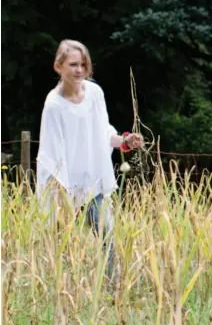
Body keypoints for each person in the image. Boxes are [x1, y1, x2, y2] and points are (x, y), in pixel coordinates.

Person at [36, 39, 143, 279]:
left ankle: (110, 288)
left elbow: (103, 133)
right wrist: (60, 196)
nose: (79, 70)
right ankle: (61, 292)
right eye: (73, 64)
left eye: (83, 64)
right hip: (63, 187)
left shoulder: (94, 93)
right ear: (58, 67)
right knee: (61, 246)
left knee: (107, 236)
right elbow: (51, 153)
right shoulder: (54, 105)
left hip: (93, 181)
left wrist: (124, 141)